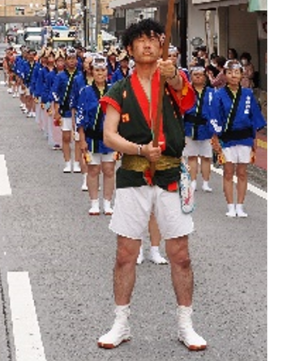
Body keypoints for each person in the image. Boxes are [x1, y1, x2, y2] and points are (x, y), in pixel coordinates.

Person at [96, 18, 206, 351]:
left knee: (181, 254)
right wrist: (140, 149)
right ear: (129, 50)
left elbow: (183, 93)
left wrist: (172, 73)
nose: (147, 45)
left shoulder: (174, 79)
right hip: (132, 175)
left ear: (161, 47)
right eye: (140, 40)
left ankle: (186, 324)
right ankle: (121, 322)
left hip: (171, 174)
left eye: (153, 40)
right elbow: (109, 135)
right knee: (125, 254)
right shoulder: (119, 90)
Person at [208, 60, 266, 218]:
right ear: (225, 75)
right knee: (228, 172)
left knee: (242, 172)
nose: (233, 75)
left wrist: (254, 139)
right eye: (230, 72)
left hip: (245, 137)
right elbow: (214, 117)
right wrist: (215, 138)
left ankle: (240, 205)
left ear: (242, 74)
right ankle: (230, 206)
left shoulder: (247, 94)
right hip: (227, 138)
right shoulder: (219, 94)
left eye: (237, 72)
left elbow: (254, 117)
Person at [76, 55, 116, 216]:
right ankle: (94, 203)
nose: (100, 74)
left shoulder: (114, 90)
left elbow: (121, 115)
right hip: (92, 137)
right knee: (93, 170)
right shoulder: (85, 91)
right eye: (97, 70)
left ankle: (107, 202)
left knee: (109, 169)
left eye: (103, 70)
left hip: (110, 137)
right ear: (92, 72)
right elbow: (80, 116)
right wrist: (82, 138)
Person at [52, 47, 86, 174]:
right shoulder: (60, 76)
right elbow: (55, 93)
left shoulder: (80, 75)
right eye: (69, 59)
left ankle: (77, 162)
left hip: (77, 110)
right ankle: (67, 162)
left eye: (74, 59)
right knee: (66, 137)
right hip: (64, 110)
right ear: (65, 61)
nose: (72, 61)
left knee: (77, 137)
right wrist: (56, 110)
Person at [182, 66, 215, 193]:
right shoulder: (186, 91)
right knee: (192, 155)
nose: (198, 77)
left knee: (206, 156)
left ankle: (206, 182)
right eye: (195, 74)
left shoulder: (211, 92)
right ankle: (193, 181)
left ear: (205, 77)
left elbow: (215, 110)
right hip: (190, 127)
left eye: (200, 74)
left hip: (206, 127)